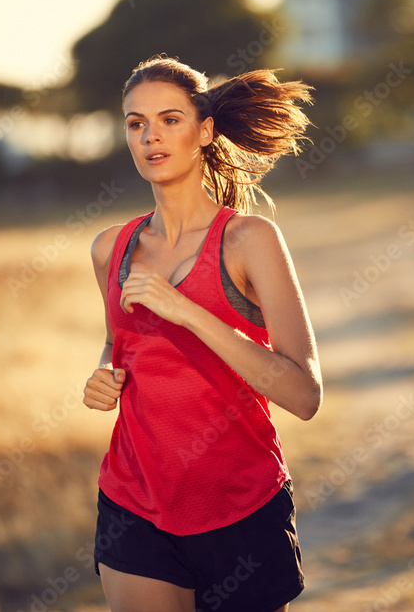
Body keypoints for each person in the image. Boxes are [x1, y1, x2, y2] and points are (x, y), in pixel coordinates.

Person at [82, 55, 322, 612]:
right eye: (135, 123)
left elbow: (304, 395)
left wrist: (187, 311)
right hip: (134, 501)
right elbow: (121, 340)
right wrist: (103, 375)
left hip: (241, 504)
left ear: (205, 131)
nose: (150, 136)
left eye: (169, 119)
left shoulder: (249, 240)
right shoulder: (108, 248)